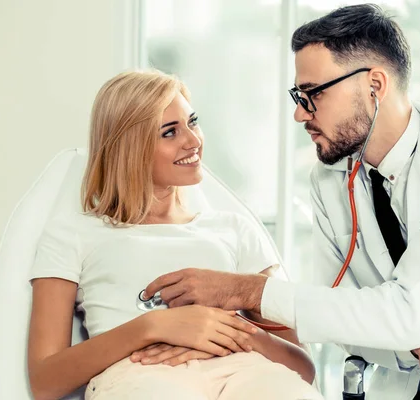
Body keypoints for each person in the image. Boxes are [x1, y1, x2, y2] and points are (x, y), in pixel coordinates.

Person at [143, 4, 420, 400]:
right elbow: (337, 317)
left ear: (374, 86)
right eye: (298, 96)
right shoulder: (329, 179)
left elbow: (404, 312)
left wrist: (246, 290)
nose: (301, 115)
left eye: (313, 94)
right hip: (409, 385)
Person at [27, 70, 323, 400]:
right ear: (130, 147)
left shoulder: (235, 229)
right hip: (142, 377)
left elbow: (304, 368)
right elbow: (45, 381)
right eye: (170, 132)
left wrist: (237, 333)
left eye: (192, 122)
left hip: (246, 370)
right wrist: (152, 327)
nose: (193, 140)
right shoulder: (72, 234)